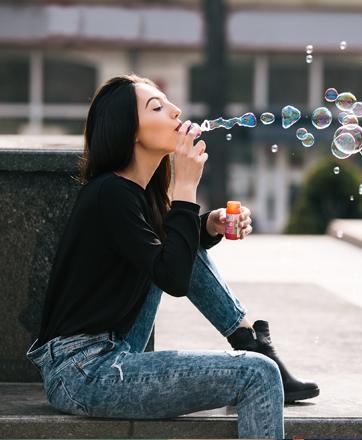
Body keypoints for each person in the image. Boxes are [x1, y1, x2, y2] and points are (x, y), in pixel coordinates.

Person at [26, 74, 318, 439]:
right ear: (130, 130)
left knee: (181, 237)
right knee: (257, 373)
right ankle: (256, 352)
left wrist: (208, 225)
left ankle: (249, 342)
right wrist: (185, 187)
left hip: (109, 351)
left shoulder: (133, 193)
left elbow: (169, 261)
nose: (176, 110)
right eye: (157, 107)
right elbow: (174, 280)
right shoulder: (110, 194)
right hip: (84, 371)